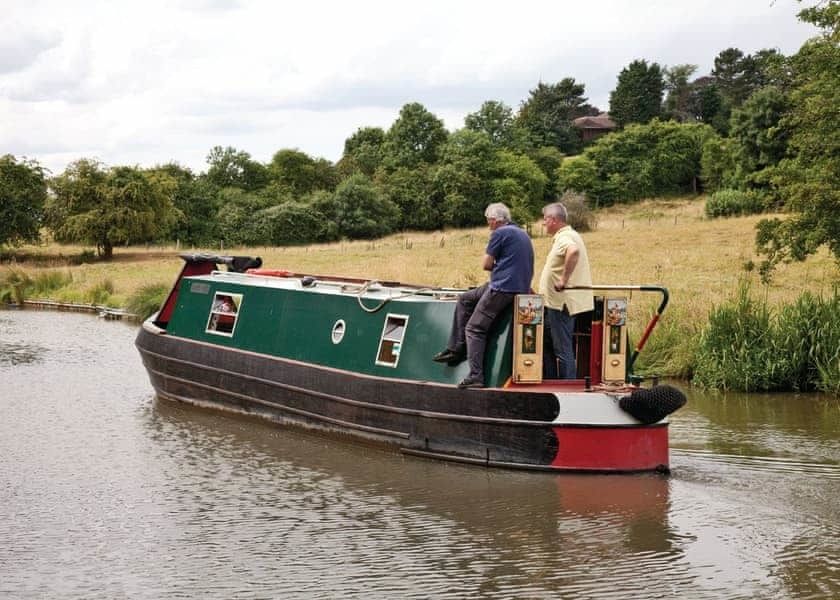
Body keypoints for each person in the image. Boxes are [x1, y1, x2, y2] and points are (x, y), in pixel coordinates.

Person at [433, 203, 534, 388]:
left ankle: (475, 376)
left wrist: (499, 267)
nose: (488, 225)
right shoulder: (522, 233)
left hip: (502, 287)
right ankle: (457, 348)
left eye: (489, 221)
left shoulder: (499, 233)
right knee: (466, 299)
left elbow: (486, 264)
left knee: (474, 328)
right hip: (521, 287)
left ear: (495, 221)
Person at [538, 202, 593, 379]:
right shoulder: (568, 235)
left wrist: (563, 279)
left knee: (563, 348)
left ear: (553, 220)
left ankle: (568, 386)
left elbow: (573, 252)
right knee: (548, 342)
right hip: (553, 303)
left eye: (545, 219)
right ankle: (551, 380)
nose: (543, 223)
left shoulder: (565, 237)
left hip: (561, 303)